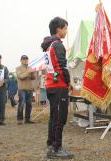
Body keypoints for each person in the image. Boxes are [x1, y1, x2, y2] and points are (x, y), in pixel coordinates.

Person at [41, 17, 73, 159]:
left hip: (51, 84)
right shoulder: (57, 44)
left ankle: (51, 144)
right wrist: (68, 81)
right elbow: (62, 65)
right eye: (65, 28)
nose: (66, 31)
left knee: (54, 116)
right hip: (58, 85)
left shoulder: (48, 45)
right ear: (58, 29)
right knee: (60, 117)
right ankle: (56, 148)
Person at [16, 55, 36, 124]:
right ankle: (19, 119)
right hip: (22, 89)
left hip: (29, 89)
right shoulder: (18, 68)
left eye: (26, 59)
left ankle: (27, 119)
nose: (25, 61)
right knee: (21, 104)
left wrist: (33, 73)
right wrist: (28, 72)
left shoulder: (30, 67)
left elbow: (33, 78)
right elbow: (21, 76)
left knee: (29, 104)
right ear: (21, 60)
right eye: (24, 59)